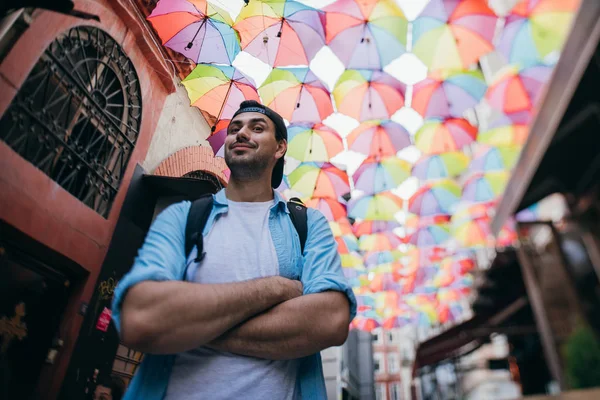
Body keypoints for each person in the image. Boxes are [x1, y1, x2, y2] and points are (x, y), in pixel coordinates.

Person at [112, 100, 356, 400]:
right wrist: (276, 288)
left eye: (257, 128)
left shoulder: (306, 225)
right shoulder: (183, 217)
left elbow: (330, 320)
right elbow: (140, 319)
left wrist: (190, 327)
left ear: (280, 148)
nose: (241, 134)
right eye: (235, 128)